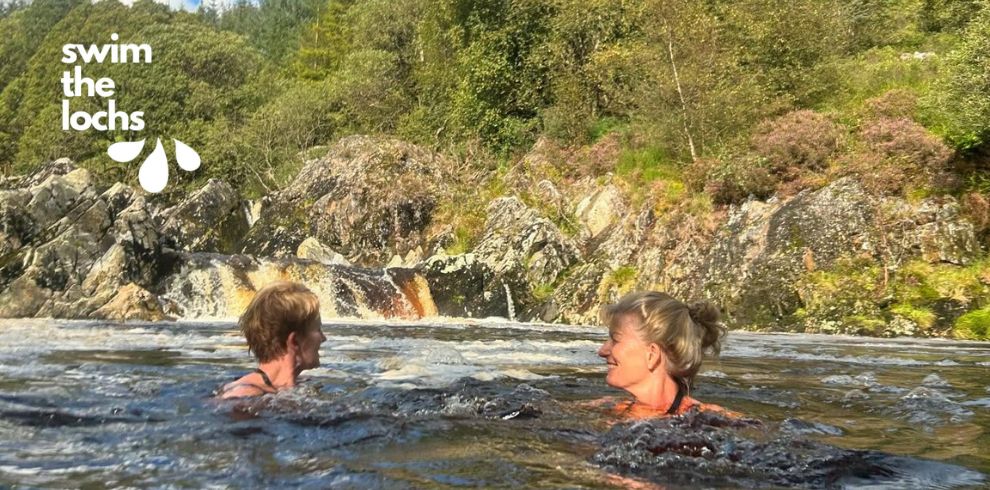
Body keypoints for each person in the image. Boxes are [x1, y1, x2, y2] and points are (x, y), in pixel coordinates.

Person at [596, 291, 732, 419]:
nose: (602, 351)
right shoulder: (608, 407)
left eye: (615, 340)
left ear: (652, 354)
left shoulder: (716, 418)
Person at [217, 281, 326, 399]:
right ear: (294, 341)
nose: (324, 338)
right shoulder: (244, 393)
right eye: (318, 329)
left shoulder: (302, 386)